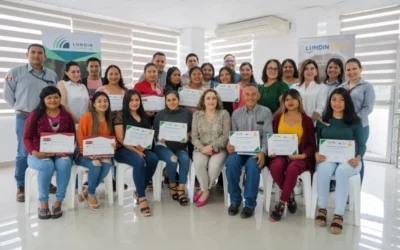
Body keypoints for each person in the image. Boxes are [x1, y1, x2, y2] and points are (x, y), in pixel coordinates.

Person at [4, 43, 58, 202]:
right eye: (33, 52)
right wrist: (21, 107)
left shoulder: (52, 75)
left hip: (46, 117)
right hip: (24, 117)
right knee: (23, 151)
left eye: (40, 53)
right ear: (26, 54)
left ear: (45, 57)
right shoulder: (15, 72)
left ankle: (46, 182)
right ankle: (21, 185)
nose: (36, 55)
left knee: (47, 148)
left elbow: (54, 95)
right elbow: (8, 95)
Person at [315, 88, 366, 234]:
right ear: (329, 101)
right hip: (328, 158)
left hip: (350, 160)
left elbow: (362, 145)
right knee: (324, 169)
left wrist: (358, 158)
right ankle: (322, 208)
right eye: (334, 99)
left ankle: (339, 214)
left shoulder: (355, 121)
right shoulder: (322, 121)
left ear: (347, 102)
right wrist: (316, 154)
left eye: (341, 100)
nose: (337, 103)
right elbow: (319, 144)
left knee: (342, 171)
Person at [23, 86, 75, 219]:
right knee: (47, 166)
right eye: (49, 97)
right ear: (43, 100)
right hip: (38, 153)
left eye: (56, 97)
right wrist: (34, 152)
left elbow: (72, 136)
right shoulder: (35, 115)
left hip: (61, 154)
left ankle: (58, 201)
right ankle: (44, 202)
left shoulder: (66, 116)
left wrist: (67, 149)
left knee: (64, 164)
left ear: (60, 98)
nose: (53, 100)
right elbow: (26, 138)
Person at [225, 83, 273, 218]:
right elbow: (233, 136)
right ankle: (235, 201)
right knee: (231, 163)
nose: (250, 97)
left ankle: (250, 204)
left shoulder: (266, 112)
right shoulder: (236, 114)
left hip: (257, 152)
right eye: (247, 94)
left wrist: (263, 151)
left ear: (258, 96)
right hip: (239, 151)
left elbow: (267, 136)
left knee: (253, 166)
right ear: (243, 96)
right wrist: (230, 145)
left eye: (253, 94)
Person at [268, 89, 316, 222]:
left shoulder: (306, 120)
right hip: (280, 154)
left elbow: (312, 144)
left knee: (292, 169)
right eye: (286, 99)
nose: (290, 102)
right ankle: (289, 195)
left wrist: (303, 156)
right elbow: (272, 138)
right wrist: (271, 150)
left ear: (299, 100)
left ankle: (281, 203)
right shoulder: (278, 118)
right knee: (276, 167)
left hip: (299, 155)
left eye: (292, 99)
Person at [113, 90, 159, 217]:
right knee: (139, 161)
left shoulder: (143, 115)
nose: (134, 103)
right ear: (126, 102)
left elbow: (148, 135)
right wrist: (136, 151)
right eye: (131, 100)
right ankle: (142, 198)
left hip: (141, 149)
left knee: (154, 158)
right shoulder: (120, 115)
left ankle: (138, 191)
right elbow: (121, 139)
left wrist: (143, 147)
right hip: (123, 150)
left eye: (137, 100)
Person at [75, 92, 116, 211]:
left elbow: (113, 139)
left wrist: (114, 145)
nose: (103, 104)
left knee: (107, 163)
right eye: (99, 101)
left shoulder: (109, 119)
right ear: (93, 104)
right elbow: (80, 140)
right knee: (96, 164)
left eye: (105, 101)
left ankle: (87, 191)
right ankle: (92, 194)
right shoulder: (86, 117)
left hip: (102, 153)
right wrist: (89, 154)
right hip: (82, 153)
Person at [338, 58, 375, 183]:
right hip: (343, 127)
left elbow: (368, 108)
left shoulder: (367, 86)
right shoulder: (341, 87)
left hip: (360, 127)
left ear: (361, 69)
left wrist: (353, 121)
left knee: (358, 156)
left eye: (354, 68)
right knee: (345, 156)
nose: (351, 72)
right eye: (348, 69)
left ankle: (357, 188)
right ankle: (346, 187)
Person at [192, 89, 230, 207]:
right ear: (203, 100)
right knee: (199, 165)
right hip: (201, 148)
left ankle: (203, 189)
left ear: (217, 100)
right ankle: (206, 190)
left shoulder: (224, 114)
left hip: (219, 148)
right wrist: (202, 148)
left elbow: (226, 136)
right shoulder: (196, 115)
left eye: (213, 98)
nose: (211, 101)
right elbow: (194, 136)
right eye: (208, 98)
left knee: (213, 168)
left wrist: (212, 147)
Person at [153, 91, 192, 206]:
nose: (171, 102)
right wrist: (159, 136)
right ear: (165, 102)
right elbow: (155, 132)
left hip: (180, 146)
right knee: (173, 159)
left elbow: (191, 130)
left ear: (178, 100)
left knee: (185, 159)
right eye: (168, 100)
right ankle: (172, 184)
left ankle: (181, 189)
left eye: (174, 99)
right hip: (163, 146)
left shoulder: (187, 113)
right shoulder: (160, 114)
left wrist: (188, 136)